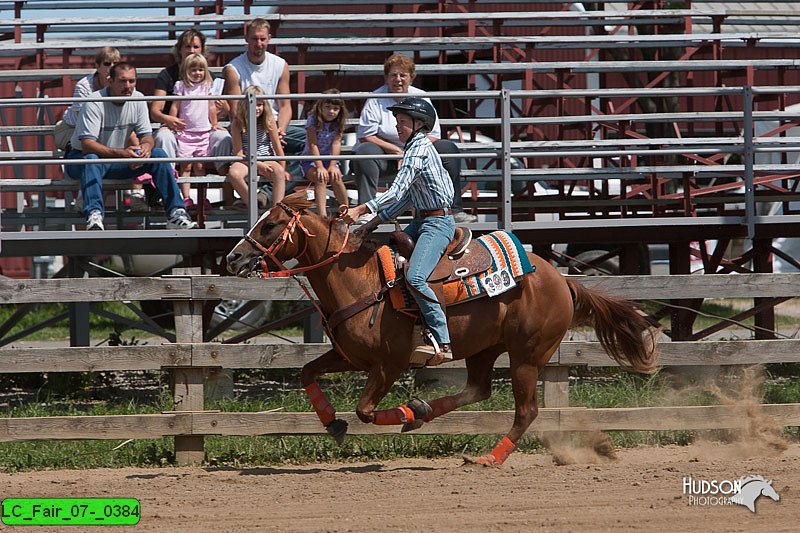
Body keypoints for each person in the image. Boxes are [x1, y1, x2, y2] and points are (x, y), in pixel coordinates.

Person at [343, 97, 455, 366]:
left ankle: (443, 340)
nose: (397, 126)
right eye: (397, 121)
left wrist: (361, 211)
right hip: (423, 220)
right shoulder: (415, 149)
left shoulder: (417, 150)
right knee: (387, 268)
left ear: (419, 124)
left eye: (403, 121)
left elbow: (397, 191)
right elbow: (406, 200)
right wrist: (371, 225)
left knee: (415, 277)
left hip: (437, 223)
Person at [64, 62, 197, 231]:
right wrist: (124, 154)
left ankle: (176, 213)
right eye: (122, 81)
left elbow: (147, 136)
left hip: (115, 159)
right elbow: (87, 145)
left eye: (132, 81)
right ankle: (94, 215)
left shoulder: (138, 98)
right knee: (91, 159)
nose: (128, 86)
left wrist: (145, 149)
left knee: (159, 154)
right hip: (79, 159)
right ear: (109, 81)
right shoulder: (94, 102)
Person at [352, 53, 477, 224]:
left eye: (403, 75)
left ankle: (452, 209)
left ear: (411, 77)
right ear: (386, 78)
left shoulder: (421, 96)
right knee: (364, 152)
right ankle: (367, 211)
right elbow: (366, 136)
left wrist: (411, 154)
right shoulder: (375, 98)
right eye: (393, 75)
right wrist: (397, 152)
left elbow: (433, 134)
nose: (398, 79)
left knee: (448, 149)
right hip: (386, 158)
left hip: (419, 155)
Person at [222, 18, 305, 180]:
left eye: (262, 39)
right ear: (246, 39)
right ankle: (270, 191)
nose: (258, 43)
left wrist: (280, 130)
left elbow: (285, 106)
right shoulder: (233, 68)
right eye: (254, 39)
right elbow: (235, 111)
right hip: (246, 125)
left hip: (273, 124)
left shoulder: (280, 65)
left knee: (309, 142)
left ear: (269, 38)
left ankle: (267, 192)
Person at [150, 29, 230, 174]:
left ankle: (227, 188)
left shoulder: (208, 77)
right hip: (176, 128)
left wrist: (225, 109)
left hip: (203, 129)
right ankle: (168, 183)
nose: (192, 50)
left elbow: (217, 110)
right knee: (163, 137)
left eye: (196, 47)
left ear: (202, 50)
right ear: (179, 49)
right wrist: (169, 120)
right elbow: (155, 110)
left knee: (223, 137)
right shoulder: (167, 74)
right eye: (187, 46)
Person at [168, 53, 222, 207]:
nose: (197, 73)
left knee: (200, 166)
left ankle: (202, 197)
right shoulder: (181, 86)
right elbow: (175, 106)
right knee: (186, 166)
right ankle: (186, 197)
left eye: (200, 70)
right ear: (186, 71)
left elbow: (211, 106)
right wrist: (172, 122)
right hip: (186, 132)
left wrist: (215, 123)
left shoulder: (207, 86)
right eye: (193, 70)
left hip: (203, 131)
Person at [227, 85, 291, 208]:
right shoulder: (237, 123)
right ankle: (252, 204)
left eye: (260, 105)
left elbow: (277, 146)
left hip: (265, 156)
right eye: (253, 104)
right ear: (244, 105)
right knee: (234, 173)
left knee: (278, 172)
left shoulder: (269, 120)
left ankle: (276, 209)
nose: (256, 108)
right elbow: (238, 153)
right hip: (245, 159)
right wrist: (258, 164)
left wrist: (283, 168)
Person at [301, 89, 349, 217]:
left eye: (335, 108)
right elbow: (313, 144)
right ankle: (322, 216)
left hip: (330, 159)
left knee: (336, 178)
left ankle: (346, 211)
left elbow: (336, 143)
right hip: (311, 159)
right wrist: (320, 166)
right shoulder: (313, 119)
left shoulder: (338, 122)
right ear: (320, 106)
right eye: (327, 107)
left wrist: (333, 164)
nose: (331, 111)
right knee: (321, 178)